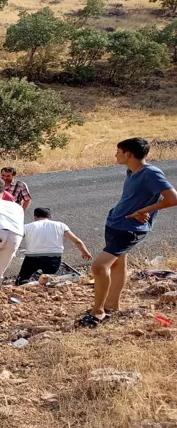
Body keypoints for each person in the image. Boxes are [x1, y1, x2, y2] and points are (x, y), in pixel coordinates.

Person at [80, 138, 177, 327]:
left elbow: (172, 198)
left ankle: (98, 312)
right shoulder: (132, 171)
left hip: (129, 229)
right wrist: (144, 208)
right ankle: (111, 305)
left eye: (118, 151)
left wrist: (144, 210)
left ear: (128, 154)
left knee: (99, 267)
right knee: (117, 264)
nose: (115, 154)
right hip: (116, 223)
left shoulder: (151, 173)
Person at [16, 208, 92, 285]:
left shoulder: (26, 227)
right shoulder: (61, 225)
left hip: (32, 258)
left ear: (35, 217)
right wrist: (85, 252)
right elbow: (76, 241)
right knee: (50, 282)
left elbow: (15, 240)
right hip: (53, 258)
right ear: (50, 217)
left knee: (22, 279)